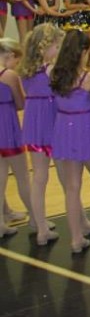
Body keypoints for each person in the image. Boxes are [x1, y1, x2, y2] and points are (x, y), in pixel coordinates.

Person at [50, 30, 90, 252]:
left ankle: (76, 239)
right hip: (85, 130)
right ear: (82, 51)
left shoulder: (54, 73)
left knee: (71, 188)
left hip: (63, 129)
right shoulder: (89, 78)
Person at [19, 24, 66, 245]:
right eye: (56, 46)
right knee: (64, 175)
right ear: (44, 47)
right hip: (51, 120)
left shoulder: (25, 70)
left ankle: (40, 226)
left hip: (33, 122)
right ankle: (46, 226)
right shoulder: (50, 70)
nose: (58, 50)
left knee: (39, 177)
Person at [0, 38, 27, 238]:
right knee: (22, 176)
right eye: (16, 61)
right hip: (7, 127)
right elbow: (20, 103)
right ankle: (37, 219)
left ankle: (6, 213)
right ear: (9, 56)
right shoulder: (8, 74)